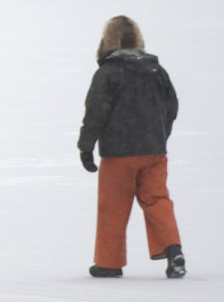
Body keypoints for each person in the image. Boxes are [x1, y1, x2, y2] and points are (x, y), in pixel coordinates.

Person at [78, 15, 185, 279]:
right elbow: (172, 106)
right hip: (154, 150)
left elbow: (95, 112)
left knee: (112, 207)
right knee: (158, 200)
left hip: (119, 154)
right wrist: (161, 136)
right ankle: (174, 251)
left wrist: (85, 147)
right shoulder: (156, 70)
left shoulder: (108, 73)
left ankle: (109, 263)